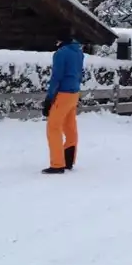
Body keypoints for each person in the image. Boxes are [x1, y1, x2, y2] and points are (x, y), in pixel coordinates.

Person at [42, 31, 85, 174]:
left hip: (63, 93)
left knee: (53, 128)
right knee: (70, 127)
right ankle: (68, 160)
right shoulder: (79, 52)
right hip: (74, 93)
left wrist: (49, 99)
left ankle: (57, 164)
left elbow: (56, 77)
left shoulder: (61, 54)